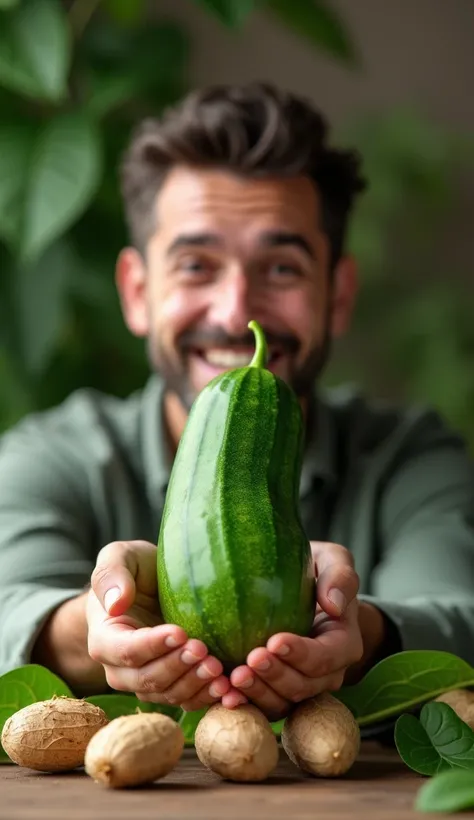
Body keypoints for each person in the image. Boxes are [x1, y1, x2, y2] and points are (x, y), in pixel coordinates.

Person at [1, 82, 474, 722]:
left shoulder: (412, 456)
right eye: (197, 265)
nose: (236, 312)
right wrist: (96, 626)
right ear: (138, 292)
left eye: (281, 268)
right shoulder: (50, 456)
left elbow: (463, 616)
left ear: (337, 294)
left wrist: (354, 629)